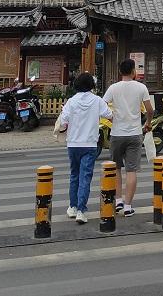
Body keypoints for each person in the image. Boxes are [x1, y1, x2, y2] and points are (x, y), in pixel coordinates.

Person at [103, 58, 154, 217]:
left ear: (120, 71)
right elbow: (150, 110)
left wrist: (112, 117)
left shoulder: (113, 88)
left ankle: (118, 200)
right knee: (131, 170)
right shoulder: (141, 87)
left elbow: (102, 105)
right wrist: (148, 123)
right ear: (133, 71)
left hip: (117, 134)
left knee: (116, 168)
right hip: (134, 133)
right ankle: (127, 206)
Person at [58, 72, 110, 224]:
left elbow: (63, 121)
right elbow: (109, 114)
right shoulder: (97, 100)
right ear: (91, 85)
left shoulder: (71, 101)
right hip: (90, 144)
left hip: (73, 143)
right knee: (85, 177)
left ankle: (72, 207)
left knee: (74, 175)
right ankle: (81, 210)